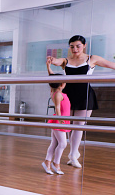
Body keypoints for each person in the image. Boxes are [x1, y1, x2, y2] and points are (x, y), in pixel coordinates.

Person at [47, 35, 115, 168]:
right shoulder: (66, 61)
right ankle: (73, 153)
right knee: (68, 125)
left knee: (79, 126)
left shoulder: (92, 58)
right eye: (72, 46)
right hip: (68, 95)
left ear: (84, 45)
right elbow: (56, 61)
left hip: (85, 95)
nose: (75, 49)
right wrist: (52, 60)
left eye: (78, 46)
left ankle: (73, 155)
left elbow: (111, 65)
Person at [42, 82, 70, 175]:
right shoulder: (58, 94)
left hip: (60, 120)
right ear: (62, 84)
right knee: (63, 144)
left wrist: (48, 67)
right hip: (59, 120)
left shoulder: (57, 93)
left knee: (54, 143)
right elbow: (57, 107)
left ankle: (47, 162)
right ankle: (56, 163)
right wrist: (60, 119)